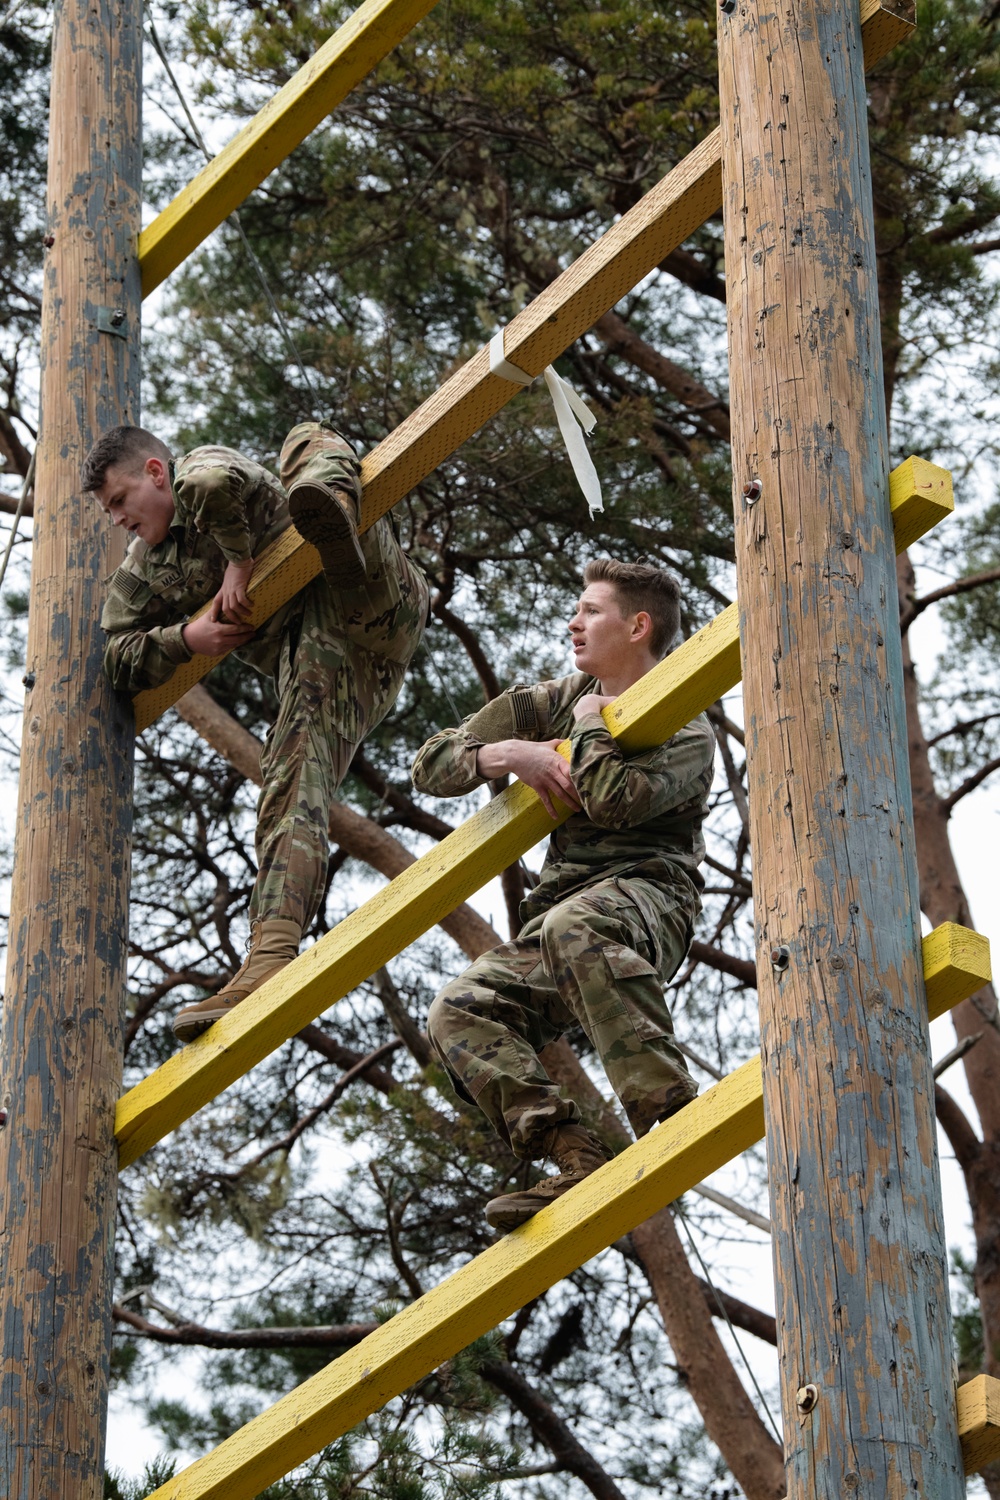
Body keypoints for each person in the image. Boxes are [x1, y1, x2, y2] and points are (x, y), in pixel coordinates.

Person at [82, 419, 428, 1042]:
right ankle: (269, 957)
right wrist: (188, 636)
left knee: (305, 438)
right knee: (290, 777)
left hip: (374, 597)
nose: (116, 520)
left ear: (155, 474)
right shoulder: (144, 569)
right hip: (325, 659)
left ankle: (334, 516)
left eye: (118, 502)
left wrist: (239, 560)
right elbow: (115, 656)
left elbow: (215, 481)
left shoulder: (197, 474)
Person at [412, 559, 715, 1232]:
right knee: (459, 1010)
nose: (572, 623)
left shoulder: (686, 723)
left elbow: (610, 800)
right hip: (564, 922)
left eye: (590, 611)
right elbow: (431, 763)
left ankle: (666, 1114)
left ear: (638, 626)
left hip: (645, 904)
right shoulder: (547, 701)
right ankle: (574, 1152)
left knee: (574, 926)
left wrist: (589, 726)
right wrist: (511, 754)